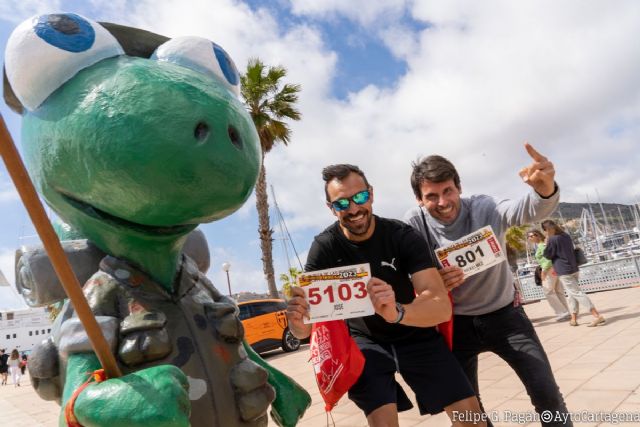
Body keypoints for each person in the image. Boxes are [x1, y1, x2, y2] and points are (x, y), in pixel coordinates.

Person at [286, 164, 486, 427]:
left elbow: (440, 307)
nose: (354, 209)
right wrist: (298, 325)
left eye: (359, 197)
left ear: (371, 194)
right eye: (341, 203)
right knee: (382, 422)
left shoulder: (401, 234)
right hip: (365, 340)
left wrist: (397, 312)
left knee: (471, 418)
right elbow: (306, 329)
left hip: (415, 332)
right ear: (330, 208)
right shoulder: (324, 247)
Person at [404, 143, 572, 426]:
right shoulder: (413, 223)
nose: (443, 202)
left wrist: (545, 189)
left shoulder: (485, 206)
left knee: (547, 395)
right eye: (431, 196)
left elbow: (524, 211)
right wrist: (433, 280)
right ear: (420, 199)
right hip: (454, 324)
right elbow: (406, 272)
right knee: (469, 413)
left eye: (448, 191)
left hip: (505, 317)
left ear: (459, 187)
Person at [542, 219, 605, 327]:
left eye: (544, 230)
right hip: (573, 268)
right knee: (572, 294)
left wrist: (546, 244)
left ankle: (597, 316)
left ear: (546, 229)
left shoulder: (552, 239)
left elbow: (547, 255)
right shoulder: (565, 236)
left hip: (563, 270)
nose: (545, 233)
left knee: (576, 293)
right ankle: (573, 318)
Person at [528, 229, 571, 321]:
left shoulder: (541, 245)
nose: (530, 238)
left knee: (548, 291)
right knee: (558, 291)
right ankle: (566, 312)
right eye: (528, 236)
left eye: (532, 236)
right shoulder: (542, 244)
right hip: (554, 269)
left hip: (548, 270)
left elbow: (547, 260)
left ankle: (562, 313)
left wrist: (543, 272)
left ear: (537, 235)